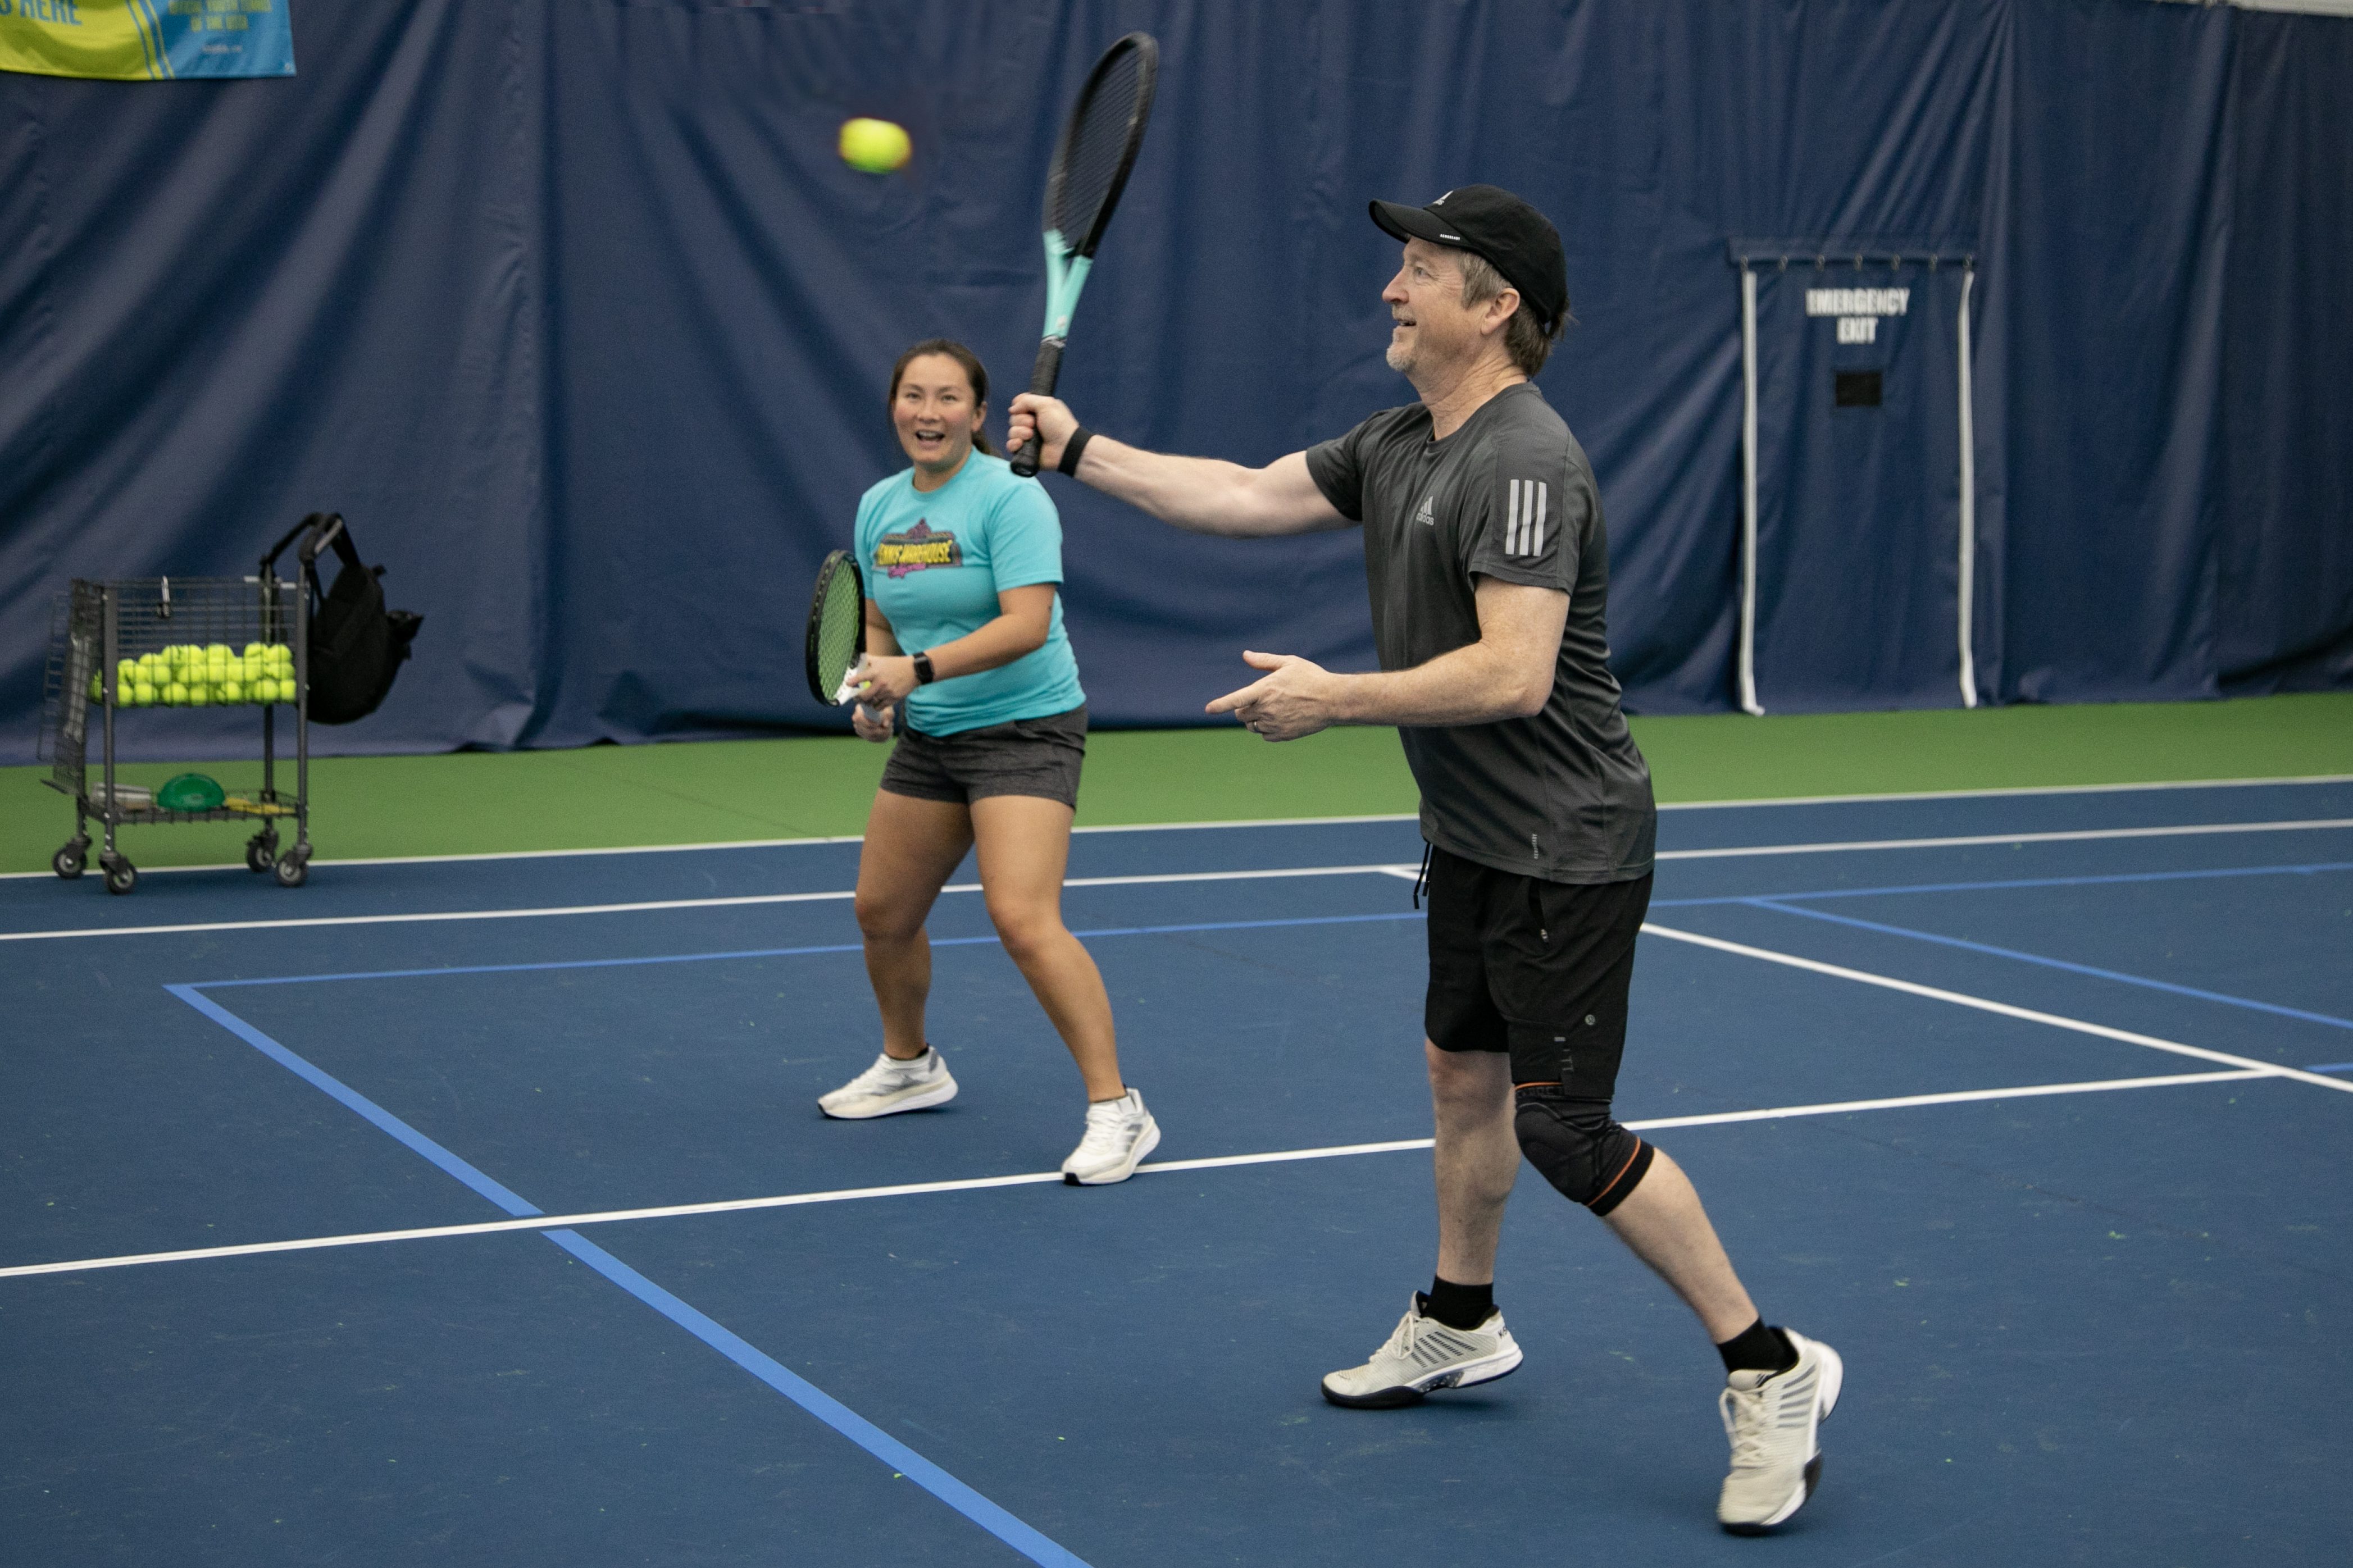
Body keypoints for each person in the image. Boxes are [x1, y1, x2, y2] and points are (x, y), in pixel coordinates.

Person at [1008, 188, 1841, 1530]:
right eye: (1399, 267)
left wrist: (1334, 697)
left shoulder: (1521, 458)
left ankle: (1772, 1364)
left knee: (1564, 1129)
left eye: (1419, 271)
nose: (1392, 291)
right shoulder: (1405, 441)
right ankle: (1461, 1320)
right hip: (1469, 836)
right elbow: (1236, 493)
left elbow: (1515, 674)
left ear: (1494, 304)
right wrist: (1081, 448)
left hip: (1566, 846)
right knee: (1463, 1077)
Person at [821, 338, 1160, 1187]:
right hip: (931, 734)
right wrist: (879, 691)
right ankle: (910, 1066)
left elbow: (1026, 626)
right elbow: (878, 621)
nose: (926, 413)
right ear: (893, 405)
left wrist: (918, 673)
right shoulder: (878, 506)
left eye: (946, 399)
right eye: (912, 396)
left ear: (977, 417)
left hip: (1026, 728)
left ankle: (1117, 1110)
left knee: (1021, 916)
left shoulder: (1010, 499)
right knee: (881, 912)